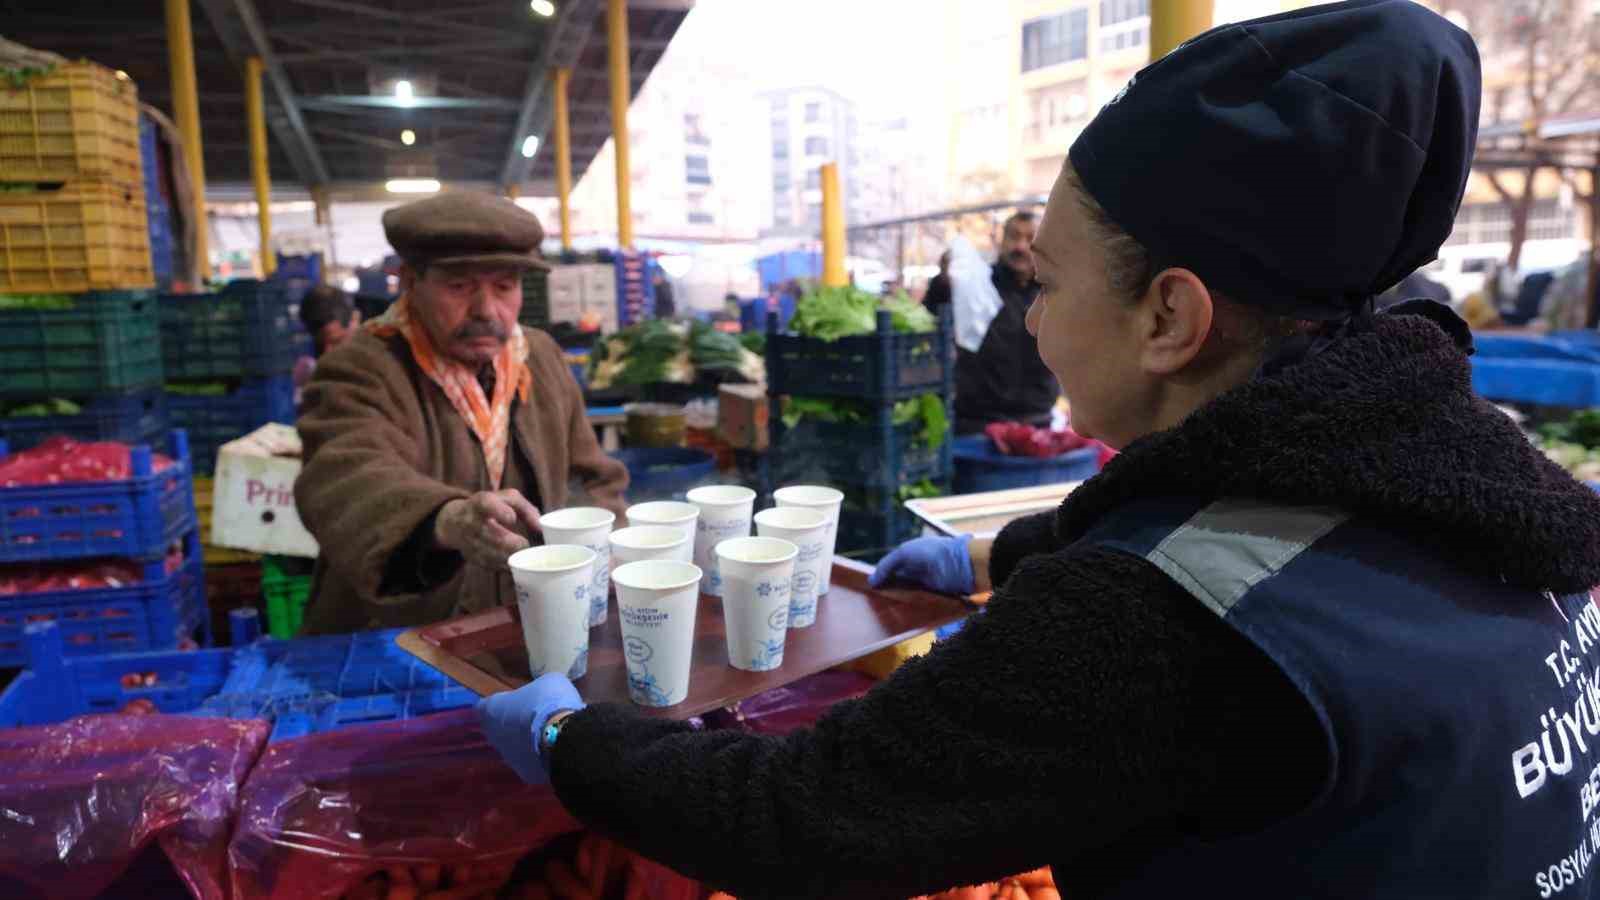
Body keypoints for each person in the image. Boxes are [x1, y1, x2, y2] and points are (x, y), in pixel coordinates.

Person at [478, 3, 1600, 897]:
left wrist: (575, 738)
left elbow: (802, 817)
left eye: (1046, 285)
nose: (1027, 323)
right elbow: (1269, 534)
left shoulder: (1139, 625)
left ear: (1170, 319)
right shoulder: (1486, 481)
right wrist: (1007, 555)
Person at [295, 193, 628, 633]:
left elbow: (592, 478)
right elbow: (346, 475)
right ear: (410, 282)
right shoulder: (360, 367)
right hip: (400, 638)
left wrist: (600, 554)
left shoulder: (539, 358)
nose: (486, 311)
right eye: (459, 287)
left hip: (523, 624)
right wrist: (446, 520)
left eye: (504, 287)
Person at [953, 211, 1060, 434]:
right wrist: (944, 281)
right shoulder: (979, 285)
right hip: (978, 425)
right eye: (1013, 236)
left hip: (1038, 422)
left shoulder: (1055, 292)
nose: (1020, 246)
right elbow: (938, 305)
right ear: (1002, 241)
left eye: (1030, 238)